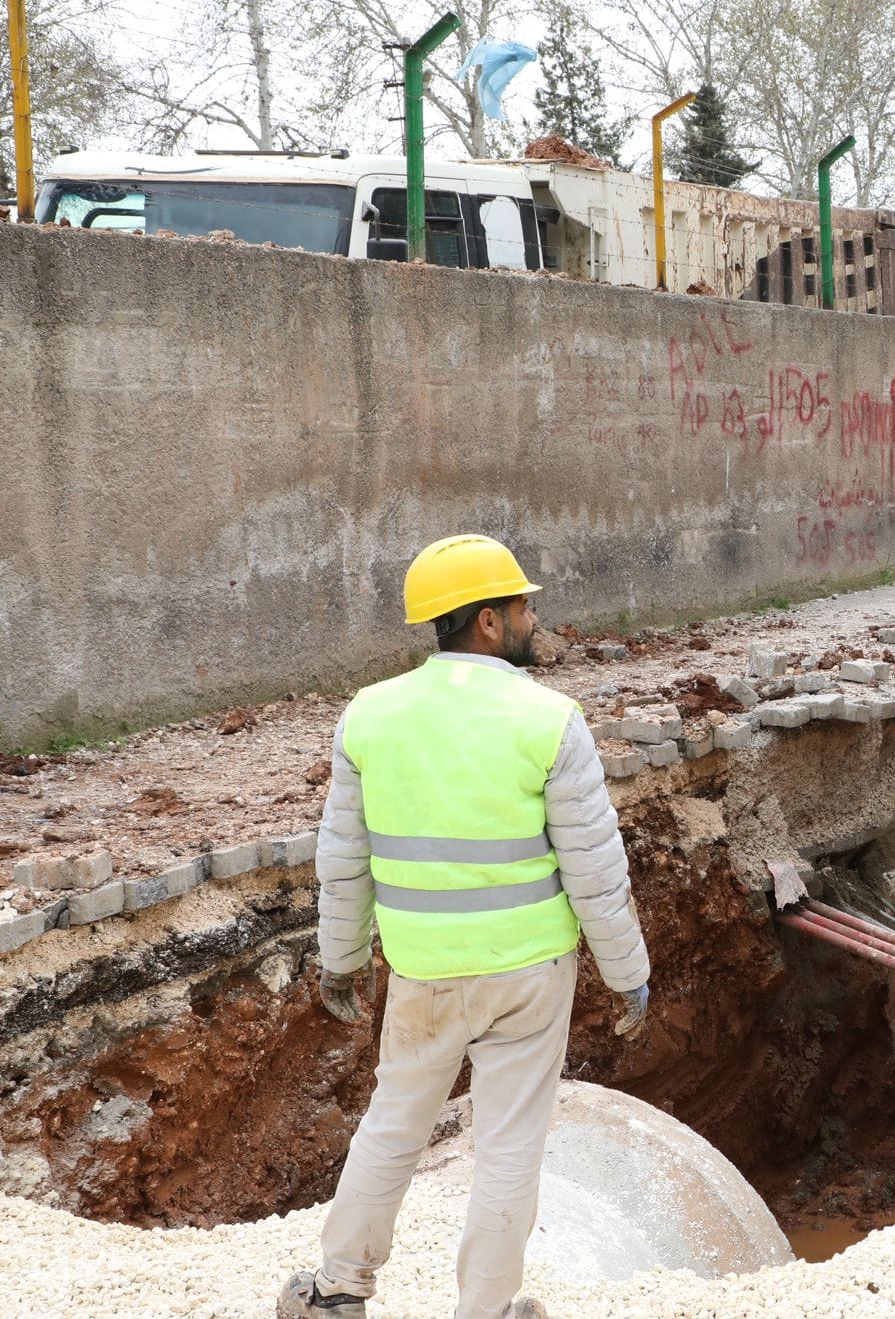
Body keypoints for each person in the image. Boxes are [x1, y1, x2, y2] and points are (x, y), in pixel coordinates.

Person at [279, 535, 652, 1319]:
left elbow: (343, 860)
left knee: (393, 1125)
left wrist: (342, 960)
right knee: (509, 1147)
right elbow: (595, 870)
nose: (533, 616)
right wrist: (627, 974)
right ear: (488, 621)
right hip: (529, 974)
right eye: (523, 606)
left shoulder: (370, 716)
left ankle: (339, 1289)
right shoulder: (551, 721)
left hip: (422, 970)